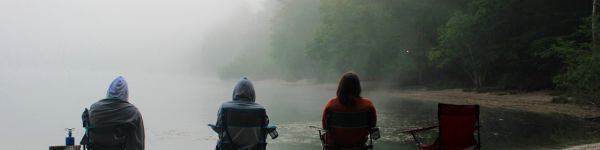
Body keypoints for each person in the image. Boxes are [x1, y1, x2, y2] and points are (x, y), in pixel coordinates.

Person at [84, 76, 145, 150]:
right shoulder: (133, 113)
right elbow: (138, 145)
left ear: (109, 91)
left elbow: (88, 136)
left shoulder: (94, 109)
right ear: (126, 93)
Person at [213, 77, 274, 150]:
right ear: (253, 93)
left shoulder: (224, 108)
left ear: (235, 92)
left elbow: (219, 128)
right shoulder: (261, 110)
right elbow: (264, 133)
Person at [321, 72, 377, 148]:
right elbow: (373, 126)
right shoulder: (368, 105)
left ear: (341, 86)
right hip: (359, 146)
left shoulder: (331, 105)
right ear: (358, 87)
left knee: (323, 135)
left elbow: (325, 127)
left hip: (334, 147)